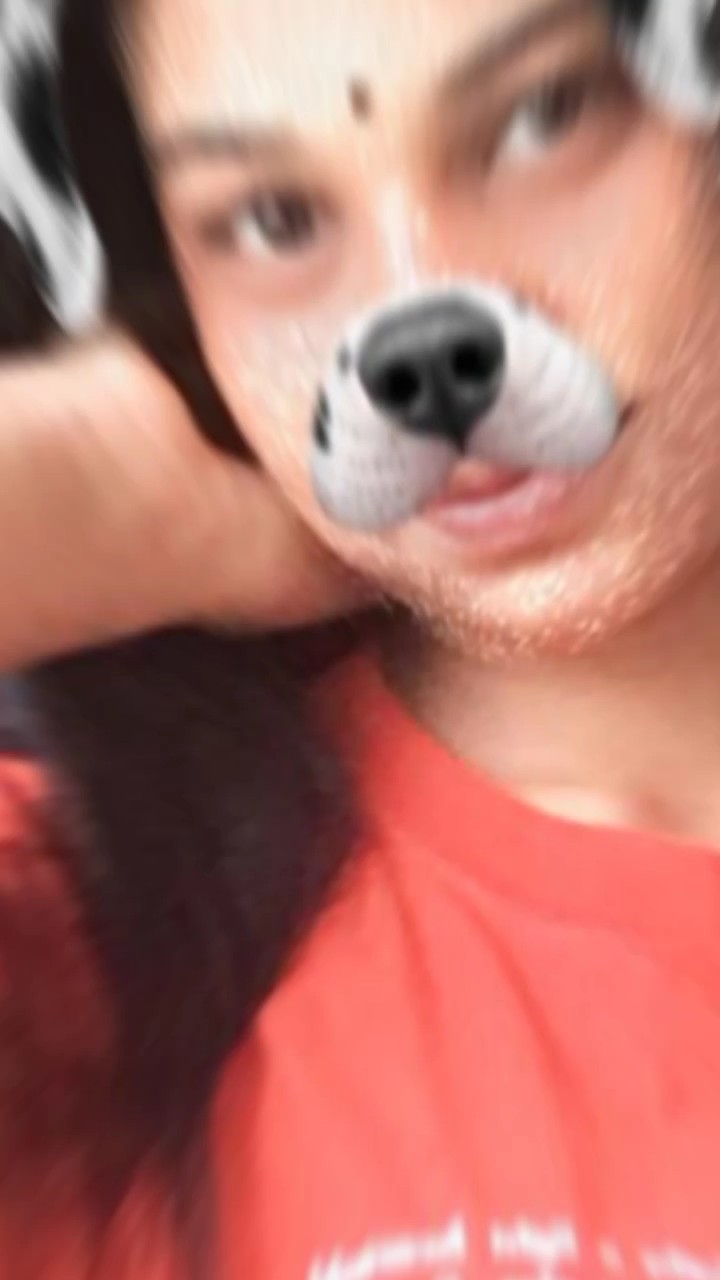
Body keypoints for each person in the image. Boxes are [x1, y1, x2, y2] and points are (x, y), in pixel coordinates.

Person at [4, 0, 720, 1276]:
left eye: (543, 117)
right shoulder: (84, 934)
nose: (421, 314)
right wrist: (118, 495)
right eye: (272, 219)